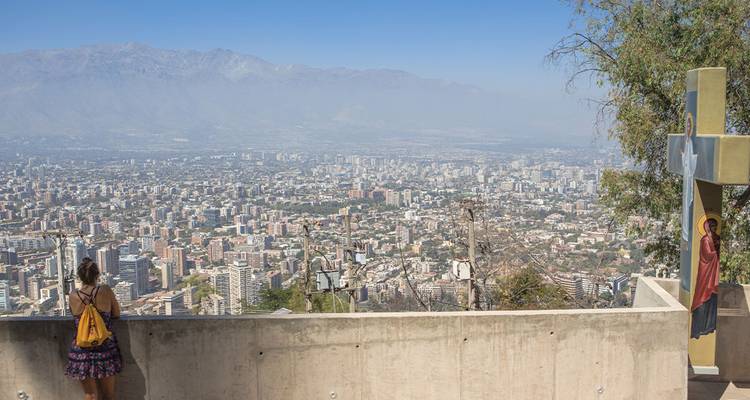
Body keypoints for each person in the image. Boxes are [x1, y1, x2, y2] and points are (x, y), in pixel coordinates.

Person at [65, 257, 123, 400]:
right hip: (104, 347)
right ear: (97, 276)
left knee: (90, 395)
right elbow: (116, 313)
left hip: (82, 350)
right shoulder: (105, 291)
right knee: (108, 395)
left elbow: (74, 316)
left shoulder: (73, 296)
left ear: (80, 277)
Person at [690, 218, 721, 339]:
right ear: (707, 227)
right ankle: (698, 330)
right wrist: (717, 249)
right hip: (706, 273)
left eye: (715, 227)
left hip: (714, 273)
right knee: (703, 300)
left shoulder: (716, 238)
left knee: (713, 300)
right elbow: (707, 255)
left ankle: (709, 327)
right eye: (711, 227)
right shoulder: (705, 240)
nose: (713, 229)